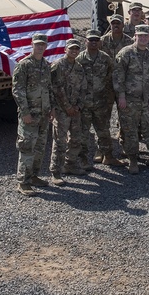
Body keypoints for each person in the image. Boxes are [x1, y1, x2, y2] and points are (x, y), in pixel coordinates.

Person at [113, 24, 149, 174]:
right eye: (140, 35)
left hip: (147, 101)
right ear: (135, 36)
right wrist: (122, 96)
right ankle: (132, 160)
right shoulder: (125, 53)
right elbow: (118, 77)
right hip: (129, 100)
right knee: (129, 130)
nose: (143, 38)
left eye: (146, 35)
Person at [12, 33, 54, 196]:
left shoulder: (45, 65)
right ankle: (23, 181)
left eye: (42, 45)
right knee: (27, 147)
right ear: (32, 45)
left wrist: (52, 108)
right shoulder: (24, 65)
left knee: (40, 147)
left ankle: (34, 176)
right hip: (30, 114)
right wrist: (25, 112)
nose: (40, 47)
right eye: (37, 44)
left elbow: (49, 88)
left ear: (46, 46)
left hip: (43, 114)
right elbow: (17, 90)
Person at [77, 30, 123, 170]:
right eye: (91, 40)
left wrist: (109, 97)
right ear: (86, 41)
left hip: (101, 102)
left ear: (100, 42)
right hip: (84, 103)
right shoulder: (79, 59)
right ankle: (83, 159)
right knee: (83, 133)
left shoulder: (105, 58)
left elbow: (112, 77)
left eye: (96, 40)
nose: (94, 42)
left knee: (103, 131)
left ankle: (108, 156)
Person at [49, 38, 87, 185]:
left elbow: (83, 88)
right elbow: (56, 88)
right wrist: (67, 107)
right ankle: (56, 171)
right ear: (66, 50)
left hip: (75, 110)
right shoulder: (58, 65)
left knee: (76, 138)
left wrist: (78, 106)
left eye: (77, 49)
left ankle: (70, 164)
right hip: (61, 110)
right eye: (71, 49)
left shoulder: (78, 67)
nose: (74, 51)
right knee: (60, 141)